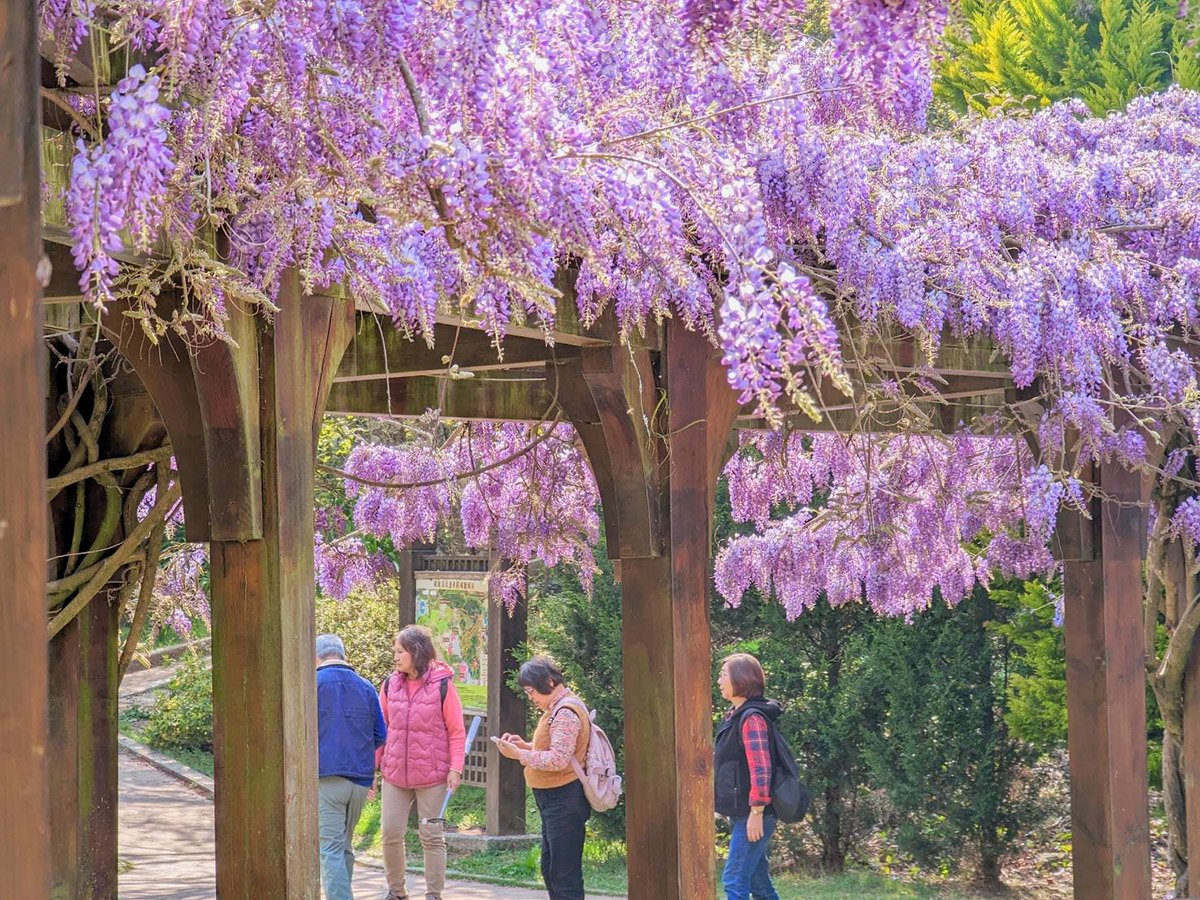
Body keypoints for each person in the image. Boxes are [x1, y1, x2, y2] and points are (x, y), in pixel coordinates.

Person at [377, 625, 466, 900]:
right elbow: (381, 729)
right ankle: (397, 892)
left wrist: (455, 768)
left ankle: (433, 894)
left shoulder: (442, 685)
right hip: (395, 775)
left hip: (432, 775)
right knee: (390, 832)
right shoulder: (390, 684)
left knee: (430, 835)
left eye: (400, 651)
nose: (396, 657)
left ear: (415, 652)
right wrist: (374, 768)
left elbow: (456, 730)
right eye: (395, 651)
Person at [493, 655, 590, 900]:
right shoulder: (556, 708)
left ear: (548, 681)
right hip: (553, 800)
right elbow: (554, 750)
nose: (531, 697)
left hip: (565, 799)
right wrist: (524, 746)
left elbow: (558, 759)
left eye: (531, 690)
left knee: (563, 874)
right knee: (551, 868)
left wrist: (519, 755)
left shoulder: (566, 711)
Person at [315, 633, 387, 900]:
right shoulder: (366, 687)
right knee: (344, 847)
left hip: (327, 778)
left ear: (317, 656)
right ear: (343, 655)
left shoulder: (314, 683)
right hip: (359, 780)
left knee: (330, 849)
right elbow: (381, 734)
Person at [714, 653, 782, 900]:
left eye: (724, 674)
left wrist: (757, 812)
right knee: (759, 883)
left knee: (734, 880)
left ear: (740, 679)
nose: (719, 680)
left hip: (754, 814)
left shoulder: (751, 718)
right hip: (744, 813)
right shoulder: (736, 716)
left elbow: (761, 768)